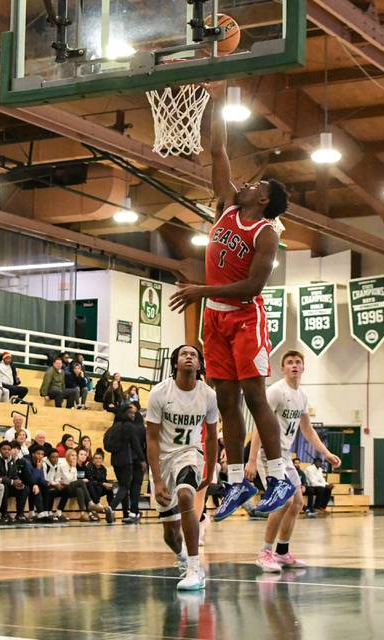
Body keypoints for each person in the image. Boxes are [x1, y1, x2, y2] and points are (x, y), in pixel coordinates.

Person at [169, 82, 295, 521]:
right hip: (215, 319)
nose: (245, 183)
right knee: (225, 399)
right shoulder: (225, 206)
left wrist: (201, 290)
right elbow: (218, 150)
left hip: (244, 317)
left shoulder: (266, 234)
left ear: (264, 199)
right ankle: (238, 480)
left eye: (255, 184)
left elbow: (252, 288)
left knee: (254, 395)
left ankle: (278, 476)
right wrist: (218, 100)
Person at [246, 350, 342, 572]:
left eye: (298, 362)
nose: (294, 365)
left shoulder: (302, 395)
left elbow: (307, 429)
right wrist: (251, 459)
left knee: (297, 502)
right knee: (284, 501)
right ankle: (265, 553)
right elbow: (260, 425)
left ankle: (282, 552)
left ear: (303, 367)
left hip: (284, 455)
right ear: (283, 368)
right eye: (289, 362)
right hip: (268, 454)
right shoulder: (275, 391)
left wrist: (326, 453)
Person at [146, 345, 219, 590]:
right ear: (175, 363)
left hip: (190, 454)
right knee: (170, 534)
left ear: (199, 364)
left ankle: (195, 570)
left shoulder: (208, 395)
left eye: (194, 354)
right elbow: (152, 438)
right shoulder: (159, 392)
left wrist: (209, 471)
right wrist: (157, 480)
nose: (189, 356)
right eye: (184, 354)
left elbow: (212, 437)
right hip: (163, 460)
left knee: (187, 496)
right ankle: (182, 557)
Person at [105, 405, 143, 523]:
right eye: (130, 413)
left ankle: (126, 513)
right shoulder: (129, 426)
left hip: (115, 460)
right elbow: (136, 444)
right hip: (126, 460)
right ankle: (111, 507)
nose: (133, 415)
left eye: (134, 413)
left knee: (123, 486)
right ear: (125, 414)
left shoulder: (115, 426)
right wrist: (142, 459)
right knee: (125, 486)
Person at [57, 448, 113, 523]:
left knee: (81, 489)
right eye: (80, 454)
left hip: (76, 487)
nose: (75, 457)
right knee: (83, 482)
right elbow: (68, 480)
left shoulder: (84, 467)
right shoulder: (65, 465)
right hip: (66, 486)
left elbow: (76, 479)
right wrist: (74, 468)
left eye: (84, 455)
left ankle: (83, 513)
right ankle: (93, 505)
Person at [0, 440, 31, 524]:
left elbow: (14, 475)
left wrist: (18, 481)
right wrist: (12, 482)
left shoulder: (11, 460)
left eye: (8, 449)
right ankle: (4, 514)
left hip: (9, 486)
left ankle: (20, 514)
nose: (7, 451)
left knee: (25, 488)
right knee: (4, 486)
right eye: (4, 449)